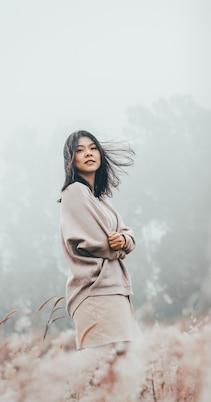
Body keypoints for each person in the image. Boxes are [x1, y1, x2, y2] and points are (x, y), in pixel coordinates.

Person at [58, 130, 139, 351]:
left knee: (124, 369)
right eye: (80, 150)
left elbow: (128, 235)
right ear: (70, 159)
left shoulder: (100, 200)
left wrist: (123, 240)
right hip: (96, 293)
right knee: (109, 371)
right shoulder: (74, 192)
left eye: (93, 148)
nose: (88, 153)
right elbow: (100, 244)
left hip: (115, 291)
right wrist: (119, 245)